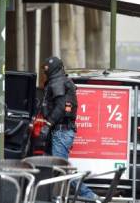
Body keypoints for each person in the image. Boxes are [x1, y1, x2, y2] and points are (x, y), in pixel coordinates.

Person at [39, 56, 98, 199]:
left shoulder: (59, 83)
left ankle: (90, 197)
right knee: (53, 168)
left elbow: (60, 107)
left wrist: (48, 124)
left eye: (47, 68)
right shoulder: (58, 82)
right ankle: (51, 198)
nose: (45, 70)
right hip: (58, 131)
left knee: (62, 170)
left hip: (61, 131)